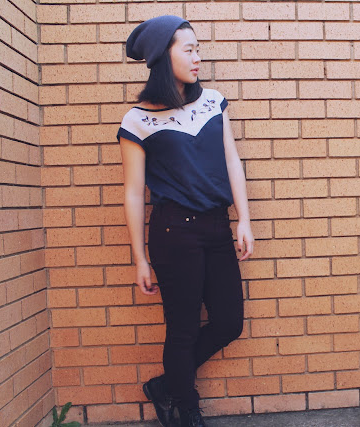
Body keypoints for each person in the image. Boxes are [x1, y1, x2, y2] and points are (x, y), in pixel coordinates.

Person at [117, 15, 254, 427]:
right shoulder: (137, 121)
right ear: (164, 57)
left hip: (216, 227)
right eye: (189, 50)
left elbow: (231, 160)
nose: (197, 58)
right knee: (183, 330)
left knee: (228, 322)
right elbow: (133, 193)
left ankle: (166, 385)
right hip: (173, 233)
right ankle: (185, 408)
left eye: (198, 49)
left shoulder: (212, 101)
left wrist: (243, 219)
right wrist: (140, 259)